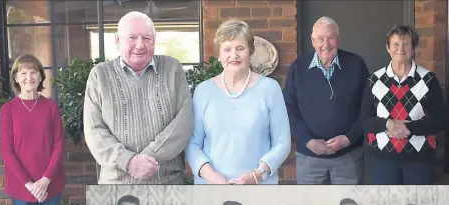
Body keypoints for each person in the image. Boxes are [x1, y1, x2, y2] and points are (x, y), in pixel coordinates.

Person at [84, 11, 193, 184]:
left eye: (147, 38)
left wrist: (146, 159)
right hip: (116, 185)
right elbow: (94, 130)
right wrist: (128, 161)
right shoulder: (100, 75)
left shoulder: (173, 69)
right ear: (118, 41)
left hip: (167, 183)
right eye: (132, 37)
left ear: (154, 41)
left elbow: (183, 121)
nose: (140, 45)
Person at [186, 20, 291, 185]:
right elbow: (193, 143)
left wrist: (258, 174)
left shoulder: (270, 89)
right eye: (227, 49)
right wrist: (211, 176)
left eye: (240, 48)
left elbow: (282, 142)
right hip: (212, 187)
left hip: (258, 187)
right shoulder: (203, 91)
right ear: (219, 55)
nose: (233, 55)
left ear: (250, 52)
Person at [284, 16, 369, 185]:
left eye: (331, 37)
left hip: (348, 156)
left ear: (338, 39)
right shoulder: (298, 68)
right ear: (312, 40)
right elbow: (288, 109)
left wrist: (349, 138)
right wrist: (308, 141)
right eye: (320, 38)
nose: (326, 44)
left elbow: (367, 108)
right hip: (309, 157)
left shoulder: (356, 64)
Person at [360, 25, 447, 185]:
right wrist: (388, 124)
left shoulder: (427, 79)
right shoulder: (374, 80)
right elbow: (364, 120)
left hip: (419, 160)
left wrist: (409, 128)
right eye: (395, 44)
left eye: (406, 44)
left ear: (413, 47)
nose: (400, 49)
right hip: (382, 160)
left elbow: (441, 120)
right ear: (388, 48)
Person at [0, 54, 66, 205]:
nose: (29, 77)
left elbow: (59, 145)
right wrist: (30, 185)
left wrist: (44, 181)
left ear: (40, 77)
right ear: (16, 78)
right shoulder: (8, 110)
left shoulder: (51, 107)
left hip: (50, 183)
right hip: (21, 185)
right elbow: (7, 151)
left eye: (33, 72)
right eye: (23, 73)